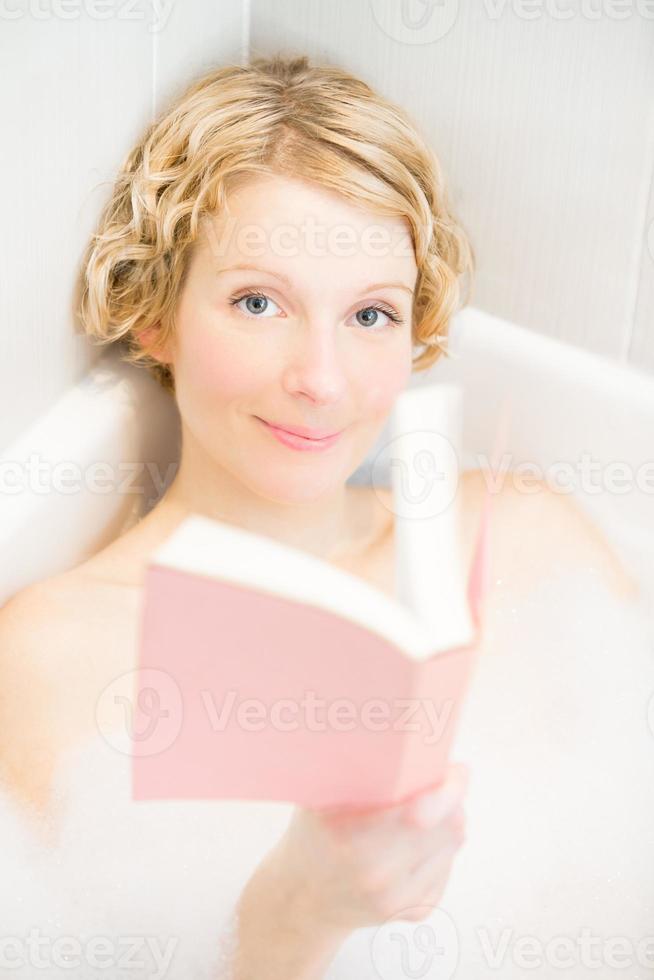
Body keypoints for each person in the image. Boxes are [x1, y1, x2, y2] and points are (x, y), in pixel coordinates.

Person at [0, 54, 639, 980]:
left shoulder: (533, 543)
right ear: (154, 314)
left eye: (371, 316)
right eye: (258, 301)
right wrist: (296, 913)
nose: (322, 379)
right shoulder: (56, 655)